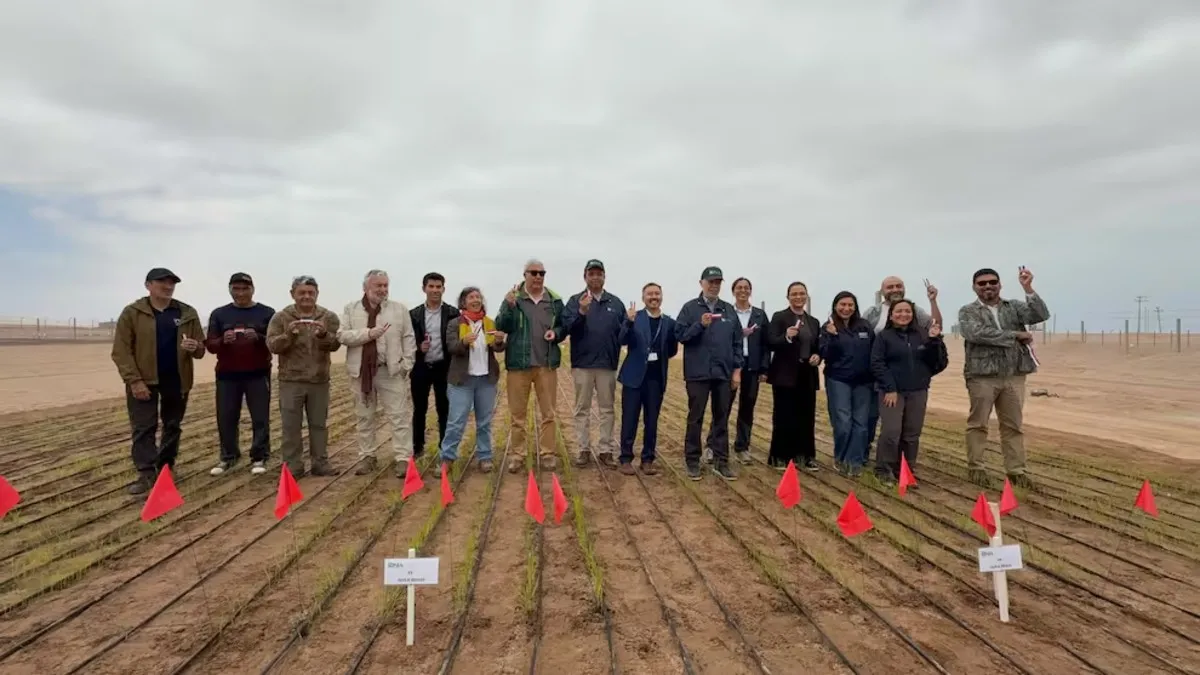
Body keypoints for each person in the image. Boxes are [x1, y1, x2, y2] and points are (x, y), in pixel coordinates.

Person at [110, 268, 206, 496]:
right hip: (144, 380)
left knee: (172, 425)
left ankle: (165, 468)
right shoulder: (133, 313)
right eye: (162, 282)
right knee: (144, 427)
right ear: (148, 285)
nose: (168, 286)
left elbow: (201, 349)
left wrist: (195, 346)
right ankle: (146, 473)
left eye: (171, 283)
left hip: (177, 379)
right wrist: (134, 381)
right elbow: (121, 351)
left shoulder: (187, 313)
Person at [958, 267, 1050, 489]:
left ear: (999, 284)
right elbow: (976, 333)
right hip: (982, 375)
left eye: (992, 282)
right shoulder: (968, 311)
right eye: (982, 283)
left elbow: (1040, 315)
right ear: (974, 287)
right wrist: (1015, 335)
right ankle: (976, 468)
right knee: (978, 424)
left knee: (1013, 426)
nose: (988, 286)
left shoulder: (1014, 307)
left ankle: (1017, 471)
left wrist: (1028, 288)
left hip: (1014, 374)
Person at [338, 269, 418, 478]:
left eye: (385, 285)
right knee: (364, 416)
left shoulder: (399, 309)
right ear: (366, 288)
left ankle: (403, 458)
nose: (383, 290)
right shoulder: (351, 309)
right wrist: (368, 334)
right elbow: (342, 336)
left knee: (399, 416)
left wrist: (406, 364)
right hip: (361, 373)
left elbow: (408, 338)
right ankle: (367, 456)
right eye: (378, 286)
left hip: (390, 371)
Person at [495, 258, 566, 473]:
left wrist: (556, 333)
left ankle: (547, 454)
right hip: (519, 365)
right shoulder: (513, 298)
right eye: (533, 273)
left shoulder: (554, 300)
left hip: (546, 364)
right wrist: (508, 307)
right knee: (517, 415)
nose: (537, 277)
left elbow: (563, 326)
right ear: (524, 275)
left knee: (549, 414)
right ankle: (518, 455)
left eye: (541, 273)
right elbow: (501, 325)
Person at [266, 275, 342, 477]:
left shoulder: (328, 317)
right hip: (291, 381)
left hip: (319, 380)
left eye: (311, 292)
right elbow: (272, 345)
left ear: (317, 294)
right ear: (293, 294)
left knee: (319, 425)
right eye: (302, 292)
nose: (306, 296)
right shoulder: (281, 318)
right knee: (291, 426)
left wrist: (324, 335)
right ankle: (293, 466)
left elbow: (335, 344)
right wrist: (288, 335)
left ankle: (320, 463)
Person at [862, 276, 942, 464]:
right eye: (890, 287)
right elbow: (865, 342)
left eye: (898, 286)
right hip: (881, 380)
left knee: (910, 431)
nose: (895, 289)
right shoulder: (873, 314)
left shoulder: (917, 315)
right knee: (881, 424)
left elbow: (935, 327)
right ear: (882, 291)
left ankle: (905, 467)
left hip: (914, 386)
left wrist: (922, 376)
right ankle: (876, 462)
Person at [870, 299, 948, 486]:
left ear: (913, 315)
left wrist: (934, 341)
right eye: (899, 311)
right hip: (892, 392)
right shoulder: (883, 337)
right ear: (891, 315)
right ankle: (884, 469)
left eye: (907, 311)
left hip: (918, 391)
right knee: (891, 431)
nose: (903, 315)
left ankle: (906, 469)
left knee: (912, 434)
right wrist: (890, 388)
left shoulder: (923, 334)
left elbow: (939, 362)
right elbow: (877, 363)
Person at [205, 272, 276, 476]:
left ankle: (259, 456)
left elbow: (275, 342)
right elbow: (210, 345)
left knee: (260, 417)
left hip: (258, 373)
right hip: (227, 375)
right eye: (236, 289)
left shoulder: (267, 313)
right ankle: (228, 456)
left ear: (253, 289)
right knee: (226, 417)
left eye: (245, 288)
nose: (241, 293)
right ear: (230, 290)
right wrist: (222, 341)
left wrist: (259, 337)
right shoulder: (219, 314)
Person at [675, 266, 742, 481]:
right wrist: (699, 325)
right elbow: (681, 336)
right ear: (701, 283)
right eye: (711, 282)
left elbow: (737, 342)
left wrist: (736, 371)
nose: (714, 286)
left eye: (718, 282)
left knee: (721, 418)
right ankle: (692, 460)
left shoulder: (728, 310)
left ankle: (721, 461)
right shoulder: (689, 308)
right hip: (698, 373)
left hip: (723, 373)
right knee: (696, 417)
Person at [560, 259, 625, 468]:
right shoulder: (575, 301)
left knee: (607, 409)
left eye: (599, 273)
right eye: (591, 274)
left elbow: (624, 333)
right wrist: (581, 312)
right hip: (583, 364)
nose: (595, 277)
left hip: (607, 364)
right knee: (582, 409)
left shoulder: (616, 303)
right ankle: (583, 449)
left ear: (604, 277)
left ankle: (606, 449)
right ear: (585, 277)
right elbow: (567, 328)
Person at [441, 287, 506, 473]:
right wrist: (463, 342)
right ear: (463, 302)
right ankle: (447, 458)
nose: (476, 300)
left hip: (486, 380)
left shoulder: (489, 323)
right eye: (471, 297)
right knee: (456, 422)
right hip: (462, 381)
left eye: (478, 297)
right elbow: (451, 347)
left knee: (484, 422)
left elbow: (497, 348)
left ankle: (485, 457)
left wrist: (499, 341)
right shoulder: (455, 323)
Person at [616, 282, 678, 475]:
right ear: (643, 298)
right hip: (633, 378)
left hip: (655, 379)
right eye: (650, 294)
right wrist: (628, 322)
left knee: (651, 421)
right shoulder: (635, 318)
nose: (654, 297)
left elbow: (672, 349)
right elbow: (621, 340)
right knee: (630, 419)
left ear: (661, 297)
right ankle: (626, 458)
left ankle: (648, 459)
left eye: (657, 294)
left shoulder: (669, 322)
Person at [705, 277, 769, 464]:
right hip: (730, 364)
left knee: (747, 407)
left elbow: (766, 344)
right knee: (722, 406)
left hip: (752, 365)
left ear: (750, 291)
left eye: (746, 287)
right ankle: (712, 445)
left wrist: (764, 368)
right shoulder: (726, 311)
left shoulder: (760, 315)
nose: (743, 291)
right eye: (739, 288)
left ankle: (742, 447)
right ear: (733, 291)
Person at [765, 281, 821, 471]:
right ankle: (780, 456)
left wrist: (817, 356)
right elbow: (770, 341)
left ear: (806, 296)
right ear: (788, 297)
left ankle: (805, 455)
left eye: (802, 293)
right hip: (785, 374)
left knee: (806, 416)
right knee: (784, 415)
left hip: (807, 373)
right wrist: (786, 337)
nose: (798, 297)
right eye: (794, 294)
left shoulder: (813, 322)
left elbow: (817, 347)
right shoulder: (779, 317)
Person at [819, 291, 875, 476]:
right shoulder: (828, 326)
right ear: (835, 306)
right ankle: (841, 458)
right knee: (843, 423)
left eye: (850, 305)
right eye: (842, 305)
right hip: (838, 379)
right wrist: (832, 336)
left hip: (863, 382)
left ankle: (855, 461)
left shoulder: (864, 326)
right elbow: (824, 353)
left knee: (861, 424)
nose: (846, 308)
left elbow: (874, 352)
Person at [410, 272, 459, 459]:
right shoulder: (414, 315)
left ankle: (444, 448)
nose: (435, 290)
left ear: (443, 289)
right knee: (419, 409)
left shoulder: (453, 313)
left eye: (438, 287)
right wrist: (418, 348)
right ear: (424, 289)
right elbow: (407, 341)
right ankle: (417, 447)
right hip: (421, 368)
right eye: (431, 286)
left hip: (444, 367)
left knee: (444, 409)